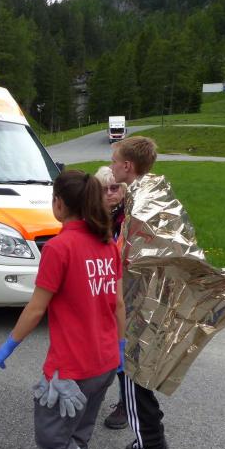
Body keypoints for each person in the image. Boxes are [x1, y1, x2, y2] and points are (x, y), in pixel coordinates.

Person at [0, 170, 133, 449]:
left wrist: (10, 343)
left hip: (70, 370)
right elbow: (117, 303)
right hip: (104, 363)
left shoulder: (59, 248)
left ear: (58, 203)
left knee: (54, 441)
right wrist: (120, 347)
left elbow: (36, 309)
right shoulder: (107, 245)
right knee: (77, 437)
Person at [105, 136, 176, 449]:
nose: (112, 166)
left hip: (139, 309)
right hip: (153, 304)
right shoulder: (152, 194)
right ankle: (155, 448)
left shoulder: (138, 205)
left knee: (134, 386)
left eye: (115, 161)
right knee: (143, 383)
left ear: (127, 167)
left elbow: (126, 259)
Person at [94, 166, 129, 430]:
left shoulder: (129, 219)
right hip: (101, 293)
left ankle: (125, 403)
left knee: (123, 349)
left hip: (127, 293)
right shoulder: (95, 219)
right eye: (103, 189)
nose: (109, 194)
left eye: (114, 188)